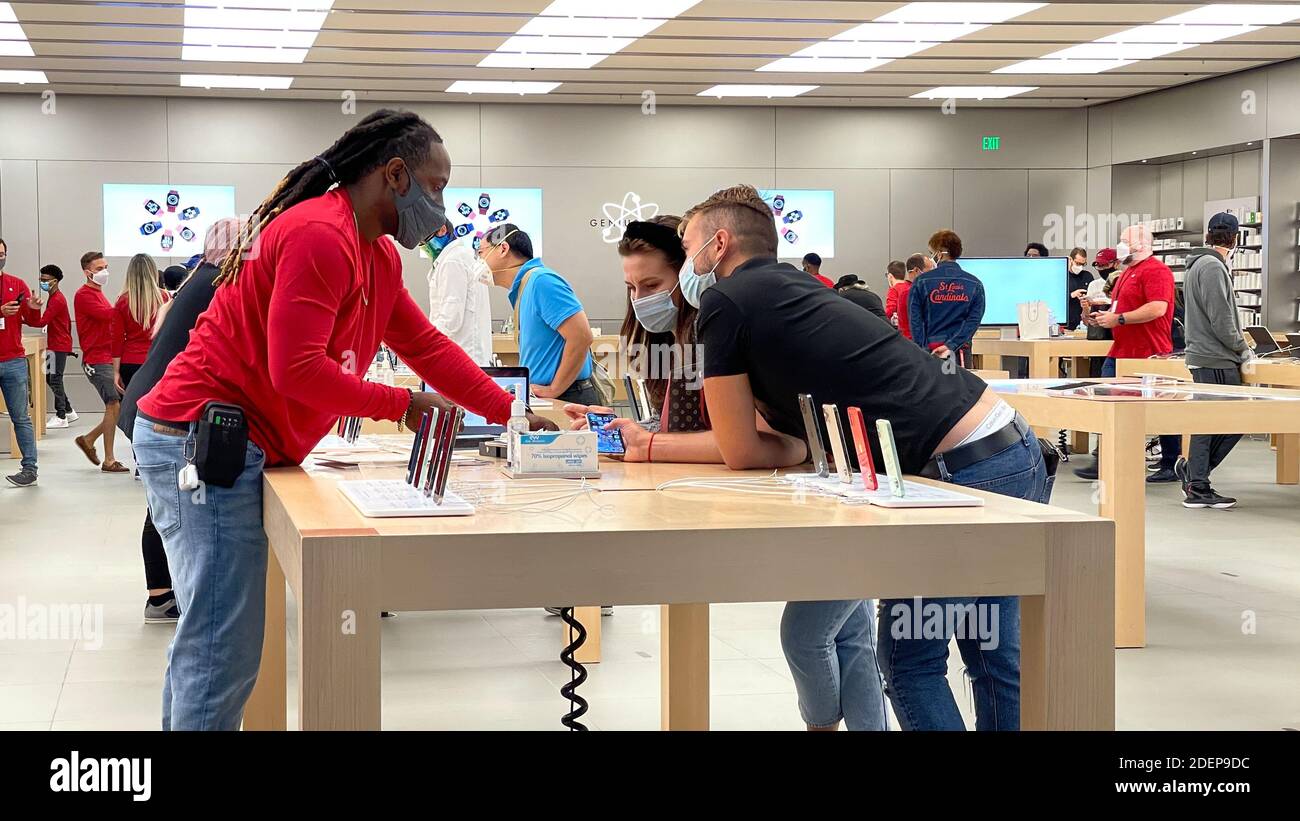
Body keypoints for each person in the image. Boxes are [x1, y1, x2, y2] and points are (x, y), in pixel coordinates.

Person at [132, 109, 555, 730]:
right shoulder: (318, 235)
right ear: (395, 175)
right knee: (222, 646)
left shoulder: (376, 255)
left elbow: (428, 349)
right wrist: (402, 406)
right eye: (437, 187)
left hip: (243, 441)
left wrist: (517, 413)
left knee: (215, 642)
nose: (444, 206)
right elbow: (296, 370)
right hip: (203, 439)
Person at [680, 184, 1051, 731]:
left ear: (719, 243)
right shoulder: (793, 290)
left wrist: (648, 447)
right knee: (990, 653)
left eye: (687, 244)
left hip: (954, 475)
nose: (686, 260)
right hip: (1008, 447)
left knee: (911, 663)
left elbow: (740, 449)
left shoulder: (725, 302)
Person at [121, 221, 244, 624]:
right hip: (161, 411)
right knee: (168, 505)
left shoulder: (202, 277)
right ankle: (161, 596)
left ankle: (161, 594)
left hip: (149, 402)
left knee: (162, 504)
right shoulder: (219, 285)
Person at [1075, 224, 1180, 482]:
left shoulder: (1157, 271)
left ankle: (1171, 462)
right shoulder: (1126, 274)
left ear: (1141, 243)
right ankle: (1105, 458)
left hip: (1150, 352)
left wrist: (1118, 319)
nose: (1120, 244)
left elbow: (1157, 308)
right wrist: (1100, 317)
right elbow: (1120, 308)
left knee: (1164, 409)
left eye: (1124, 240)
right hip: (1121, 350)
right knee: (1108, 403)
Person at [476, 222, 602, 404]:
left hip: (568, 397)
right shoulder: (524, 288)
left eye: (481, 252)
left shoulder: (541, 281)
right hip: (549, 395)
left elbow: (581, 336)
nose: (479, 261)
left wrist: (554, 389)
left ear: (503, 248)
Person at [1180, 213, 1251, 509]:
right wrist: (1243, 348)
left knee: (1209, 421)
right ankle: (1197, 482)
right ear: (1235, 238)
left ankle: (1194, 475)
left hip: (1205, 355)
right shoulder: (1212, 267)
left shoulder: (1199, 264)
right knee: (1233, 420)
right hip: (1216, 357)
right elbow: (1221, 319)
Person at [73, 251, 129, 474]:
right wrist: (127, 301)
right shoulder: (84, 295)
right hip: (97, 359)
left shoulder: (99, 293)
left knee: (117, 407)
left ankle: (88, 440)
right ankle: (108, 459)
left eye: (105, 267)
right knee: (113, 404)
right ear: (87, 273)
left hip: (107, 356)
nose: (104, 272)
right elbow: (111, 316)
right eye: (99, 269)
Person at [0, 237, 43, 487]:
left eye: (2, 253)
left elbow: (33, 321)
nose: (1, 257)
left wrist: (34, 307)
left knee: (21, 417)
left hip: (13, 361)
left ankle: (30, 468)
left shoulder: (17, 284)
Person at [908, 230, 986, 366]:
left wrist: (922, 348)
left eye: (932, 252)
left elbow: (915, 320)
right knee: (961, 386)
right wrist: (952, 344)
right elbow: (973, 321)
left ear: (939, 253)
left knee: (933, 386)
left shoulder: (921, 282)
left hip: (930, 349)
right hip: (960, 351)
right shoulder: (975, 284)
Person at [427, 225, 491, 365]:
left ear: (442, 230)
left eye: (425, 240)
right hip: (469, 357)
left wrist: (422, 341)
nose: (425, 246)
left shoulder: (453, 261)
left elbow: (451, 319)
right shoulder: (461, 256)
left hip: (462, 357)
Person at [113, 254, 169, 396]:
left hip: (130, 361)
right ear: (152, 271)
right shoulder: (165, 298)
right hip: (157, 360)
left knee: (129, 409)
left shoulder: (122, 301)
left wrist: (115, 372)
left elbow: (117, 340)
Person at [30, 265, 77, 428]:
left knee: (55, 379)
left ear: (55, 281)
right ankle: (69, 411)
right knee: (50, 378)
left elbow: (42, 321)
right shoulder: (54, 297)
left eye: (45, 280)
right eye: (41, 279)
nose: (42, 282)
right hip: (56, 344)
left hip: (58, 345)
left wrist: (23, 316)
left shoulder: (57, 299)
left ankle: (61, 415)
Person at [897, 253, 931, 341]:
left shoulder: (910, 290)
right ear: (916, 271)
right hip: (915, 346)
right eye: (930, 272)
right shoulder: (910, 293)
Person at [1065, 247, 1093, 331]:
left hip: (1082, 323)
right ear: (1070, 260)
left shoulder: (1087, 276)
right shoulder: (1062, 276)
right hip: (1065, 323)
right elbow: (1054, 298)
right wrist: (1071, 295)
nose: (1080, 267)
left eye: (1082, 264)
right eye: (1077, 263)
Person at [884, 260, 906, 329]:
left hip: (900, 327)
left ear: (890, 276)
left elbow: (890, 310)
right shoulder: (910, 286)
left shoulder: (894, 290)